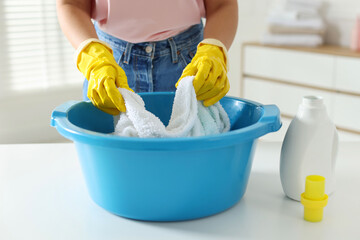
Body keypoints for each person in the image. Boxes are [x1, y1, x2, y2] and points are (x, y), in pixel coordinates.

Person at [56, 0, 238, 115]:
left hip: (191, 63)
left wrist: (214, 49)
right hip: (109, 64)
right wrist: (92, 55)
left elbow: (222, 4)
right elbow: (72, 4)